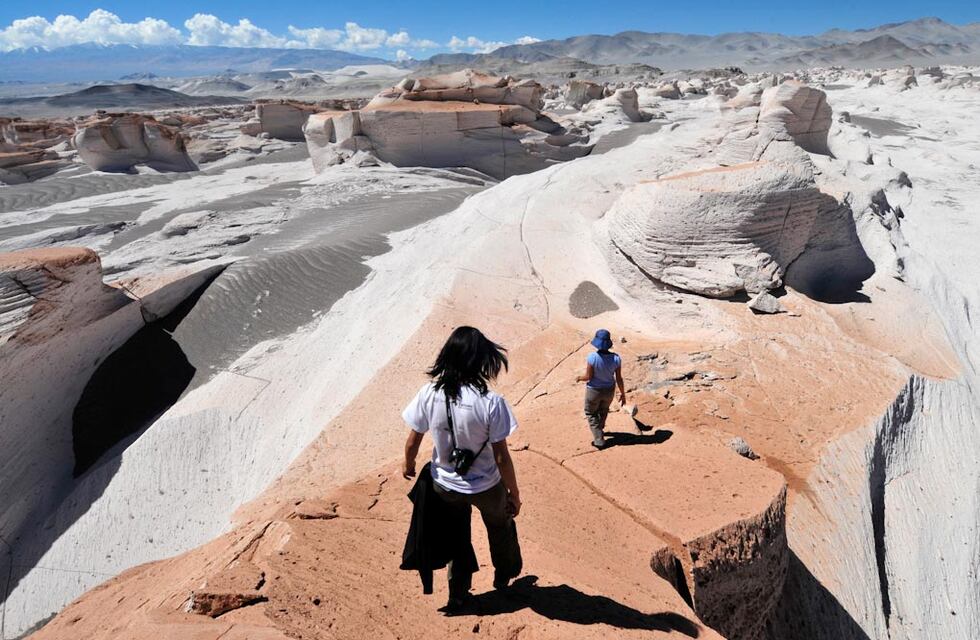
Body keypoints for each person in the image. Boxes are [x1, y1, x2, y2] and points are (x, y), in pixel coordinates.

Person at [401, 326, 523, 613]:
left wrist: (408, 463)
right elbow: (502, 457)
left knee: (457, 537)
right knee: (500, 527)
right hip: (486, 486)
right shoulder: (491, 402)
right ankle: (504, 574)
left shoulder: (429, 393)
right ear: (480, 360)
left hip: (444, 485)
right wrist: (514, 494)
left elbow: (413, 439)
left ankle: (458, 594)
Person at [575, 328, 626, 449]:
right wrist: (623, 394)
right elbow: (619, 378)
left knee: (591, 413)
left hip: (594, 390)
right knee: (603, 410)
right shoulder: (616, 358)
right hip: (609, 390)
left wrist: (579, 378)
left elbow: (588, 376)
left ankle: (599, 440)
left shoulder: (592, 357)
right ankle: (600, 428)